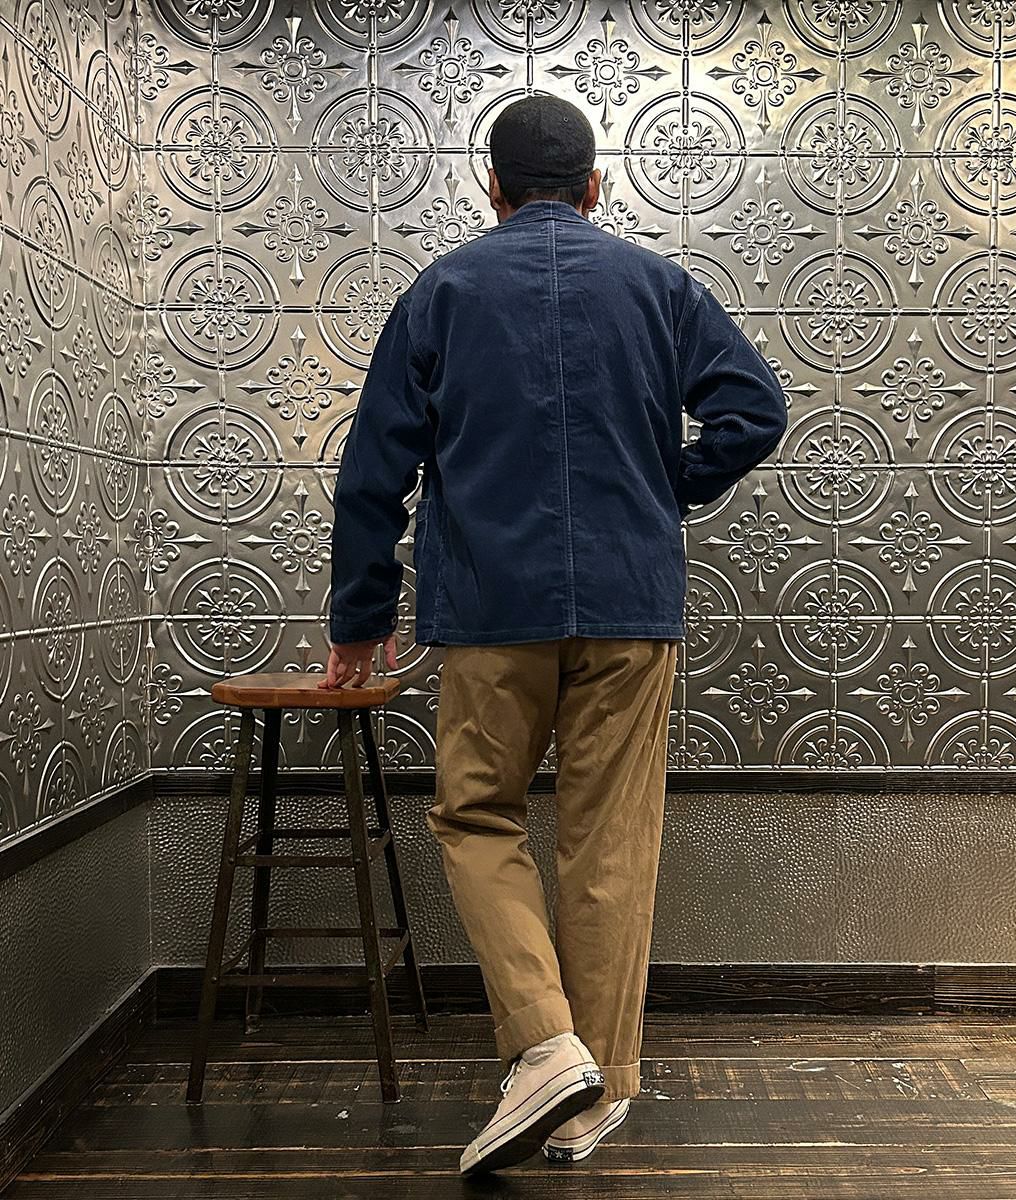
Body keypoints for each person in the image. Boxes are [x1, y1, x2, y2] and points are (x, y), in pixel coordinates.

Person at [322, 93, 788, 1176]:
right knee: (609, 838)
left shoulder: (441, 291)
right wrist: (668, 485)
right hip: (632, 605)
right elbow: (755, 411)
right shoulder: (661, 286)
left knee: (477, 814)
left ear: (490, 188)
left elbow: (373, 470)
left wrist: (360, 620)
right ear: (594, 187)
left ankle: (544, 1045)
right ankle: (596, 1091)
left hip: (493, 609)